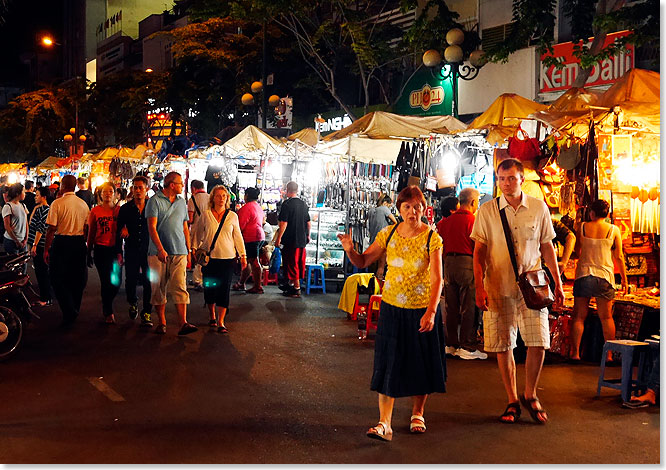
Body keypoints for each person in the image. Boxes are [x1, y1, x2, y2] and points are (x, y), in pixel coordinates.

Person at [338, 185, 445, 442]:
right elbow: (363, 261)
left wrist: (431, 310)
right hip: (391, 308)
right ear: (399, 209)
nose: (412, 211)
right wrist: (350, 249)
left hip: (421, 310)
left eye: (416, 206)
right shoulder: (388, 234)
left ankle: (417, 413)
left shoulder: (432, 238)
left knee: (421, 362)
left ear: (423, 209)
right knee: (388, 363)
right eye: (406, 207)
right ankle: (384, 423)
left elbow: (437, 278)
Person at [471, 158, 564, 425]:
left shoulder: (538, 207)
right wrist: (479, 286)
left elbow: (548, 247)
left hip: (533, 286)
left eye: (511, 178)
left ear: (522, 179)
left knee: (539, 340)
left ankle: (530, 393)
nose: (506, 184)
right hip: (497, 283)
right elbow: (479, 253)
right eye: (501, 179)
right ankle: (512, 398)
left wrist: (556, 283)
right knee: (504, 344)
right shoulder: (487, 211)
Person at [568, 199, 628, 363]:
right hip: (605, 277)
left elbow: (577, 251)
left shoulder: (581, 227)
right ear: (607, 214)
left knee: (579, 316)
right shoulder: (614, 230)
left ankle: (575, 353)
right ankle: (608, 355)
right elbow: (619, 257)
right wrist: (624, 279)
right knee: (606, 317)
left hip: (583, 275)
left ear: (592, 213)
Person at [146, 171, 197, 336]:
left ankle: (183, 322)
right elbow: (151, 227)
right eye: (181, 183)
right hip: (157, 253)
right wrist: (160, 249)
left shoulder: (182, 203)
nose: (183, 186)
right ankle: (162, 322)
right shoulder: (154, 201)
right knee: (158, 288)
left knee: (180, 286)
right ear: (172, 185)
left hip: (179, 251)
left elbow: (185, 228)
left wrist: (188, 250)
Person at [439, 187, 486, 360]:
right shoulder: (474, 221)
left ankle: (451, 344)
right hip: (467, 263)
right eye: (477, 202)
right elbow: (478, 249)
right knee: (469, 306)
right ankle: (467, 345)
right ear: (473, 202)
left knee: (451, 306)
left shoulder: (445, 222)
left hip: (448, 264)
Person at [195, 185, 247, 333]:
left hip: (228, 259)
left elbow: (238, 237)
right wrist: (194, 249)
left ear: (227, 198)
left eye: (224, 196)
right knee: (210, 288)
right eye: (218, 196)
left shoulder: (232, 216)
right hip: (210, 259)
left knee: (224, 289)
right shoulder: (205, 215)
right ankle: (211, 314)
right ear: (213, 198)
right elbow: (198, 235)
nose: (221, 198)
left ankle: (221, 321)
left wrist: (243, 255)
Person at [43, 175, 90, 327]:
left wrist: (46, 249)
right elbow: (86, 227)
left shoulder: (57, 203)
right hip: (78, 242)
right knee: (77, 278)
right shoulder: (83, 204)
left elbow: (51, 229)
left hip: (62, 242)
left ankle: (69, 310)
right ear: (75, 186)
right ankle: (73, 308)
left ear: (62, 186)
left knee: (56, 277)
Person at [116, 176, 153, 327]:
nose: (138, 191)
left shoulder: (152, 206)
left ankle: (147, 312)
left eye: (140, 188)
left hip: (148, 250)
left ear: (146, 189)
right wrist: (119, 251)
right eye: (135, 188)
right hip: (131, 248)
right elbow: (118, 229)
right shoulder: (125, 208)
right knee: (130, 280)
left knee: (149, 281)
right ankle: (132, 302)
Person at [86, 182, 121, 323]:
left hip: (116, 249)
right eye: (105, 191)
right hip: (100, 249)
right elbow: (91, 232)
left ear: (115, 193)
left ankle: (107, 302)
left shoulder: (119, 210)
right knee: (106, 281)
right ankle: (108, 311)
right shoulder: (95, 211)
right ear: (100, 194)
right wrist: (88, 251)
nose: (107, 194)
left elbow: (125, 227)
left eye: (110, 191)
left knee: (116, 282)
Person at [275, 181, 311, 298]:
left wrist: (278, 238)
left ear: (287, 190)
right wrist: (308, 235)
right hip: (302, 239)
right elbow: (308, 222)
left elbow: (283, 224)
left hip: (291, 239)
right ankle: (290, 285)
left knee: (292, 263)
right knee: (299, 262)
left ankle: (296, 287)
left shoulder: (287, 204)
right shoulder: (304, 204)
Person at [234, 187, 266, 293]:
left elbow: (240, 226)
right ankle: (242, 283)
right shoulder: (258, 207)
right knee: (247, 260)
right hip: (259, 236)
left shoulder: (246, 208)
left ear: (246, 195)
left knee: (253, 261)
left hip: (251, 237)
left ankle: (257, 286)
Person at [27, 186, 52, 306]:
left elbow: (41, 228)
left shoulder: (46, 210)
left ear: (44, 197)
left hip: (40, 245)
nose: (35, 197)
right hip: (36, 244)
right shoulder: (39, 208)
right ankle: (44, 295)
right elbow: (31, 222)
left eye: (37, 195)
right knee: (39, 271)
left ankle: (46, 298)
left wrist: (34, 244)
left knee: (42, 272)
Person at [366, 195, 397, 280]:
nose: (389, 208)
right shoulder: (384, 209)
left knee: (372, 267)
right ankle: (378, 289)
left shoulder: (371, 211)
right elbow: (395, 222)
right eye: (389, 206)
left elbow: (366, 224)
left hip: (372, 242)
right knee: (381, 266)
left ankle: (370, 288)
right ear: (385, 203)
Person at [186, 179, 209, 291]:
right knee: (207, 254)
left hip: (197, 232)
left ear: (193, 188)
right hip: (209, 230)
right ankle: (204, 279)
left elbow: (190, 219)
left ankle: (198, 281)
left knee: (198, 255)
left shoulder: (192, 199)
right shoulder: (211, 198)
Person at [2, 183, 29, 264]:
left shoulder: (23, 205)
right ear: (17, 193)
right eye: (23, 192)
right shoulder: (8, 206)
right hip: (11, 241)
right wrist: (17, 241)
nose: (25, 194)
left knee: (23, 266)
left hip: (23, 241)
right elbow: (7, 227)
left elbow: (26, 223)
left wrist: (25, 239)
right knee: (14, 268)